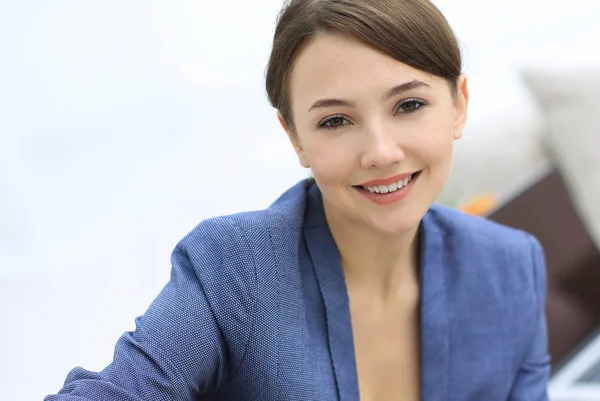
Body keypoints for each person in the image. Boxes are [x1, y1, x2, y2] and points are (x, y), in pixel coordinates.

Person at [45, 0, 551, 400]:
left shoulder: (511, 267)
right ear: (295, 138)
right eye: (335, 120)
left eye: (410, 104)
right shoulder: (234, 268)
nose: (380, 152)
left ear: (459, 104)